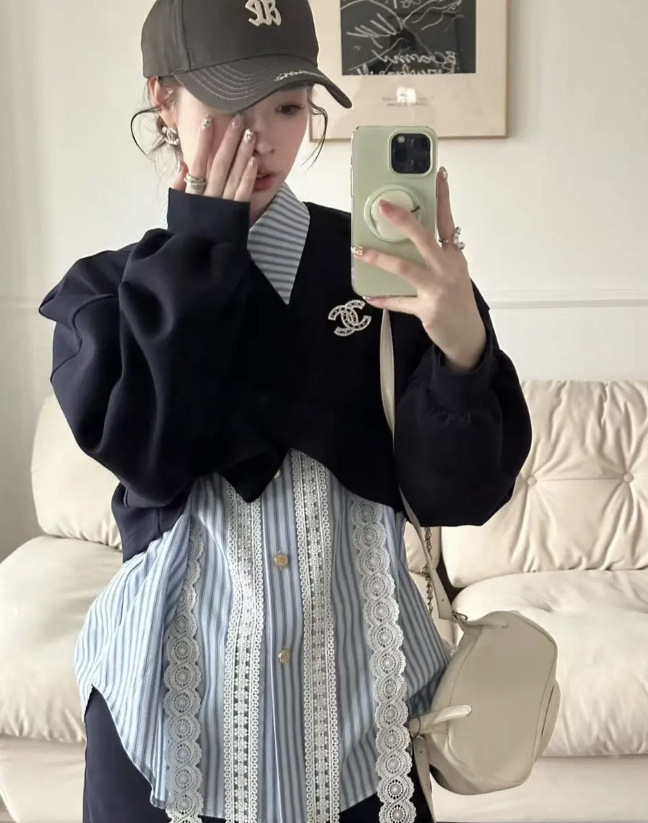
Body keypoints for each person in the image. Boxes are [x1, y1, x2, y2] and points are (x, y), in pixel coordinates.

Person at [38, 0, 532, 821]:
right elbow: (154, 454)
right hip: (162, 727)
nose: (261, 139)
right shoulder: (106, 295)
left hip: (362, 730)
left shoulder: (388, 277)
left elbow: (461, 495)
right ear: (163, 98)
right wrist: (203, 247)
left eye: (288, 107)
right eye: (229, 106)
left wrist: (461, 345)